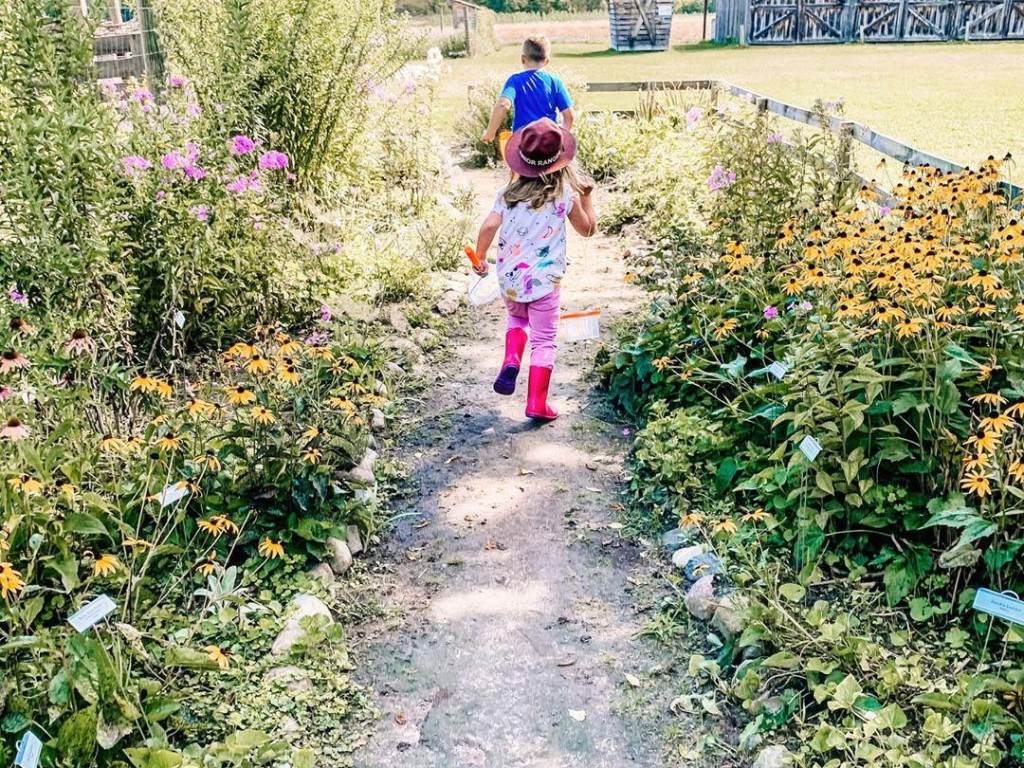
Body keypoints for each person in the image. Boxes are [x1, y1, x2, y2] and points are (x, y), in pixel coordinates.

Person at [471, 119, 596, 422]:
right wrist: (587, 197)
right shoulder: (564, 196)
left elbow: (488, 225)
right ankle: (537, 404)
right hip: (545, 284)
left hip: (511, 281)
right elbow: (588, 230)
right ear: (560, 161)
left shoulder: (507, 195)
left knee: (516, 317)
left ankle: (512, 357)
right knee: (544, 341)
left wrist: (480, 257)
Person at [480, 35, 574, 145]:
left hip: (524, 145)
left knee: (518, 161)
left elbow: (503, 105)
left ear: (523, 59)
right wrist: (562, 137)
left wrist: (490, 133)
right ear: (547, 61)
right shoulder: (555, 82)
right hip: (549, 146)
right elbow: (570, 116)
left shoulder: (515, 81)